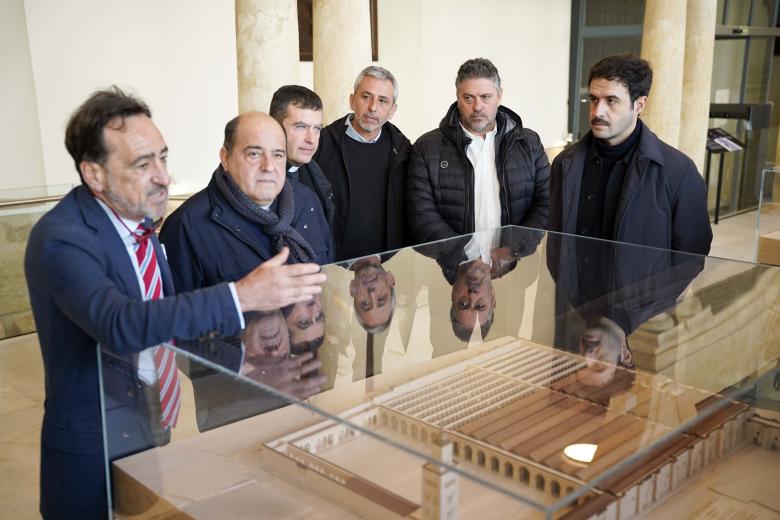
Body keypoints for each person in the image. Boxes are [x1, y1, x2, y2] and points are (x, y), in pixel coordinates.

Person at [24, 87, 326, 519]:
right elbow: (120, 324)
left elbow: (171, 318)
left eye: (163, 158)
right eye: (142, 164)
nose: (164, 177)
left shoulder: (140, 224)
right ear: (94, 174)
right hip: (93, 442)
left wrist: (247, 365)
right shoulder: (61, 238)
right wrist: (241, 295)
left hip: (149, 421)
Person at [548, 54, 712, 255]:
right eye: (593, 99)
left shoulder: (679, 172)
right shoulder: (564, 163)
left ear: (639, 104)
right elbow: (555, 238)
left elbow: (692, 252)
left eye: (611, 101)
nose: (597, 112)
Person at [160, 111, 332, 294]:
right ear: (226, 158)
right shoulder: (185, 226)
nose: (269, 166)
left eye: (278, 155)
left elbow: (330, 280)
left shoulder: (308, 201)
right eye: (254, 154)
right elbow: (179, 309)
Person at [407, 58, 550, 245]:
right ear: (457, 97)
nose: (477, 107)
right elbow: (422, 215)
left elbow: (546, 202)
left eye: (485, 97)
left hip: (515, 261)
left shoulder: (529, 143)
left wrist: (513, 250)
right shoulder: (426, 148)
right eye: (468, 98)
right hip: (456, 261)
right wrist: (464, 253)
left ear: (499, 96)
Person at [313, 66, 412, 261]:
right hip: (334, 263)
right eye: (366, 97)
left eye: (382, 100)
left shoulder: (403, 150)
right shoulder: (321, 144)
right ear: (352, 100)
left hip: (387, 262)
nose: (373, 107)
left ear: (393, 110)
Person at [269, 85, 335, 228]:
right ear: (274, 126)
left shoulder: (316, 173)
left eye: (317, 129)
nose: (311, 139)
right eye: (301, 127)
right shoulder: (256, 181)